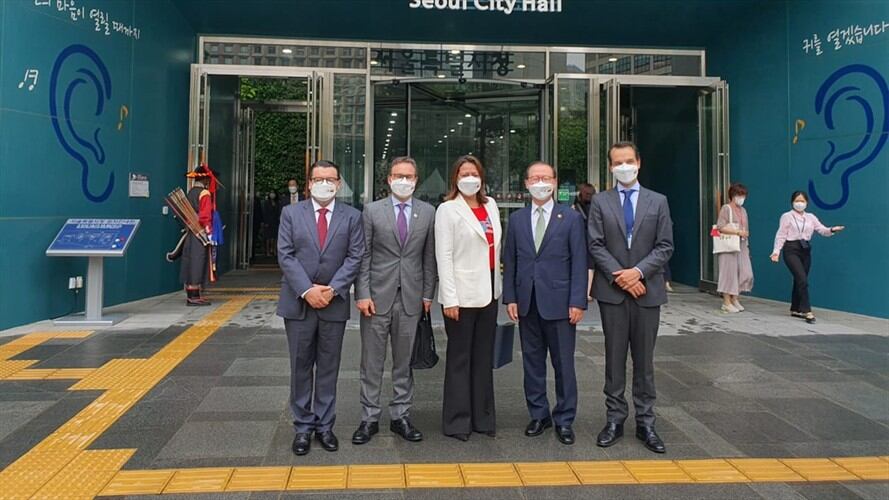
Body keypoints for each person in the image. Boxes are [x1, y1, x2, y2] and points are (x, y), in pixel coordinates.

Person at [588, 141, 674, 454]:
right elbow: (596, 245)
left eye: (628, 160)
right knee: (613, 359)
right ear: (610, 167)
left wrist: (637, 273)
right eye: (616, 162)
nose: (623, 166)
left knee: (645, 361)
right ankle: (614, 418)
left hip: (647, 291)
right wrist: (621, 276)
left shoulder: (658, 201)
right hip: (613, 293)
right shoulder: (600, 201)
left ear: (639, 162)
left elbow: (665, 246)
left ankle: (646, 422)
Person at [276, 160, 365, 456]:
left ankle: (325, 426)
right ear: (309, 184)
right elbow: (285, 255)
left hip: (333, 302)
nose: (325, 183)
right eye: (319, 178)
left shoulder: (352, 216)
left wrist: (332, 290)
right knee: (300, 367)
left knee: (328, 368)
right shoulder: (291, 213)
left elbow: (355, 256)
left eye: (331, 179)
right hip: (299, 303)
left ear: (339, 184)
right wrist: (307, 290)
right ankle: (302, 427)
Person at [352, 157, 437, 445]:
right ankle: (369, 417)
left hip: (412, 298)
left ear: (416, 179)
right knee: (372, 362)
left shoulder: (427, 212)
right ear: (389, 179)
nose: (404, 180)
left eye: (409, 176)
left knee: (404, 362)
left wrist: (428, 294)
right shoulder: (372, 210)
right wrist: (361, 293)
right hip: (376, 297)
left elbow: (429, 257)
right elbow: (363, 255)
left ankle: (400, 414)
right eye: (399, 175)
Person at [502, 161, 587, 445]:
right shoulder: (516, 220)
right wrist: (510, 297)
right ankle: (539, 414)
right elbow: (510, 261)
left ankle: (564, 419)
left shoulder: (571, 218)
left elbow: (579, 262)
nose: (540, 182)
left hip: (562, 304)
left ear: (554, 182)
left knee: (564, 365)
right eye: (534, 178)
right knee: (532, 363)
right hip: (527, 303)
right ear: (526, 184)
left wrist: (578, 300)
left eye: (545, 178)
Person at [435, 154, 502, 442]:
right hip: (460, 293)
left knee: (483, 356)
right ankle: (457, 421)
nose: (469, 178)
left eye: (474, 173)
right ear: (455, 178)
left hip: (489, 289)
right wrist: (449, 298)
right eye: (464, 173)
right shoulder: (447, 210)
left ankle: (483, 418)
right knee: (460, 357)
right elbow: (444, 256)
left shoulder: (491, 206)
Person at [770, 191, 844, 324]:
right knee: (802, 279)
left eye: (802, 201)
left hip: (805, 250)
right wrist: (776, 252)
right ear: (792, 202)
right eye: (797, 201)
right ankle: (807, 310)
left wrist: (832, 229)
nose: (800, 203)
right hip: (791, 249)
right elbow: (781, 234)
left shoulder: (811, 217)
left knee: (800, 279)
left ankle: (795, 308)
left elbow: (822, 229)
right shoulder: (787, 216)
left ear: (807, 203)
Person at [181, 165, 216, 306]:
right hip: (200, 232)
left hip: (191, 231)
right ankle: (194, 296)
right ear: (206, 179)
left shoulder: (190, 192)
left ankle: (191, 294)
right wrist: (209, 233)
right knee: (198, 261)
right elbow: (205, 216)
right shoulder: (204, 193)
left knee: (190, 260)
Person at [716, 183, 754, 313]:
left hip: (742, 245)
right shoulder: (726, 209)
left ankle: (735, 298)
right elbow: (720, 227)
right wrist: (737, 232)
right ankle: (726, 302)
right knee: (729, 273)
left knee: (745, 272)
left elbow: (746, 229)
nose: (742, 198)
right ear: (732, 195)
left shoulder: (744, 211)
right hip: (729, 246)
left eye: (743, 195)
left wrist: (747, 244)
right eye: (739, 195)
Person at [572, 183, 597, 301]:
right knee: (590, 266)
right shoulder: (597, 206)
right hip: (593, 238)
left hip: (580, 237)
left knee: (581, 264)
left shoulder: (576, 206)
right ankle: (589, 293)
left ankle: (583, 291)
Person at [263, 191, 281, 257]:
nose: (272, 194)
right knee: (268, 237)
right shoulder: (266, 203)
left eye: (273, 193)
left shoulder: (278, 203)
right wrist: (265, 222)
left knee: (275, 237)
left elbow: (278, 212)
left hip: (275, 222)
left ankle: (274, 250)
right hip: (268, 222)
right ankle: (267, 251)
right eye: (271, 193)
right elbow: (265, 212)